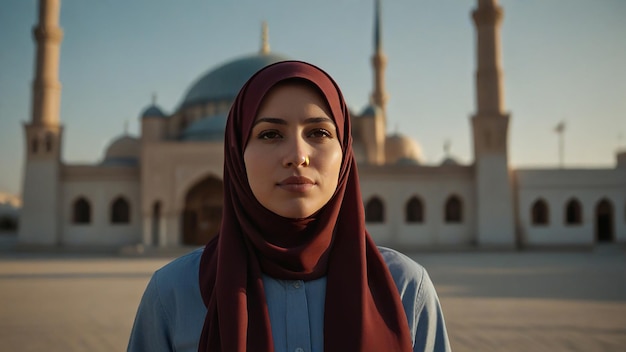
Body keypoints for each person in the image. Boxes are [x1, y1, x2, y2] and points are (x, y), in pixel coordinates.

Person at [128, 61, 450, 352]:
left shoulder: (406, 289)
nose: (297, 155)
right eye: (270, 134)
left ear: (345, 152)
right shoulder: (173, 294)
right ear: (237, 153)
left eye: (319, 132)